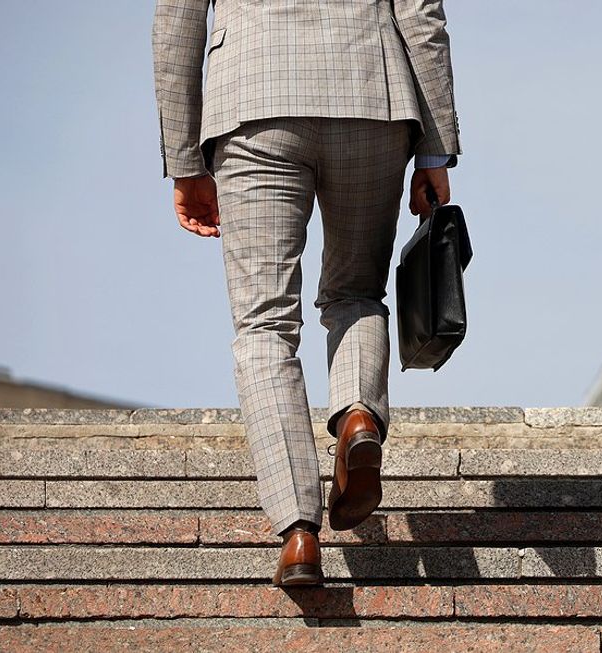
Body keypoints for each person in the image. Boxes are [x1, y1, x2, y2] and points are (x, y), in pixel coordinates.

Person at [151, 0, 461, 586]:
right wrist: (435, 148)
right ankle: (359, 418)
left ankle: (298, 532)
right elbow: (421, 14)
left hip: (252, 99)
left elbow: (176, 27)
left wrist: (185, 161)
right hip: (372, 95)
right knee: (357, 292)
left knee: (265, 326)